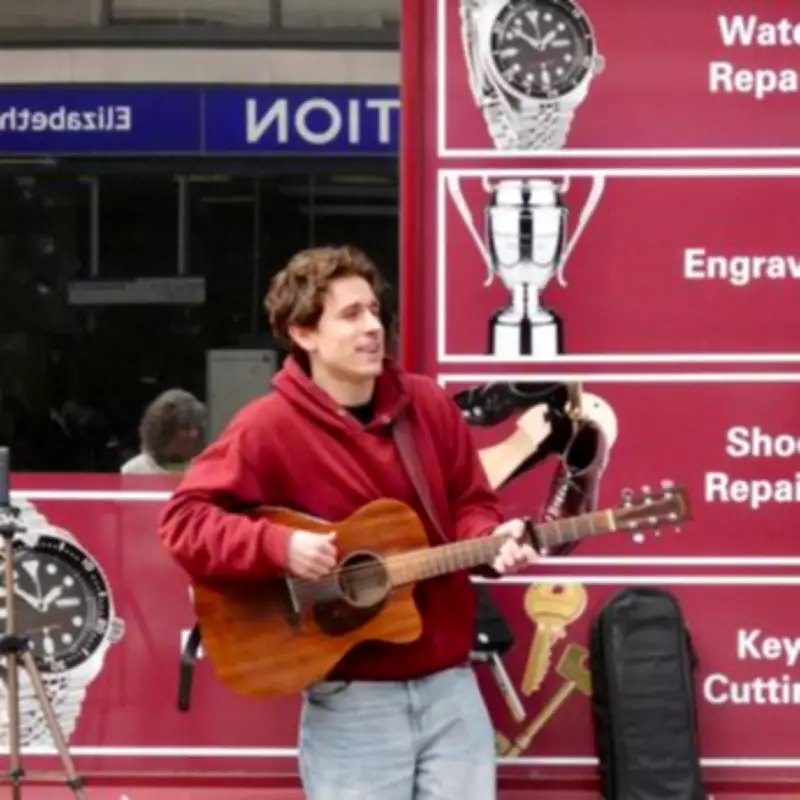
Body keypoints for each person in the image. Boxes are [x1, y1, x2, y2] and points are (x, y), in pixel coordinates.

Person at [157, 245, 540, 800]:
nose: (372, 327)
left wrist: (489, 538)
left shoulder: (428, 406)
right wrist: (279, 545)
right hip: (352, 703)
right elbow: (184, 522)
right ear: (303, 333)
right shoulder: (269, 426)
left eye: (374, 310)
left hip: (451, 690)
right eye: (350, 315)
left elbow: (470, 502)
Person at [121, 389, 206, 475]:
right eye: (185, 427)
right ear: (164, 432)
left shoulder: (204, 468)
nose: (194, 434)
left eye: (196, 426)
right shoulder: (133, 470)